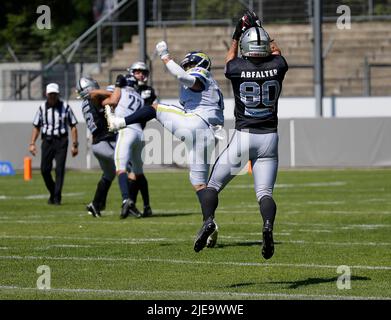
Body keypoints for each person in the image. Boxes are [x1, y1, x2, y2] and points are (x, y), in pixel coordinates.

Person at [105, 43, 225, 247]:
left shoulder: (200, 73)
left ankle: (119, 122)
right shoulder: (213, 87)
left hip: (197, 124)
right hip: (209, 135)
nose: (187, 66)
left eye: (189, 64)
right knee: (200, 184)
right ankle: (210, 223)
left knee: (154, 108)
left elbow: (185, 77)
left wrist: (165, 56)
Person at [192, 12, 288, 259]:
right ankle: (267, 226)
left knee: (212, 185)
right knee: (264, 193)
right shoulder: (278, 67)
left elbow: (228, 60)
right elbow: (276, 52)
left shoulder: (237, 68)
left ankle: (209, 221)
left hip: (244, 136)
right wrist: (260, 27)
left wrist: (237, 34)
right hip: (270, 138)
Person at [93, 74, 146, 219]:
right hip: (140, 133)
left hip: (126, 130)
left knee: (120, 168)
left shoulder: (121, 90)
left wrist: (96, 97)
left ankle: (126, 199)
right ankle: (145, 205)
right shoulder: (140, 97)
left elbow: (111, 101)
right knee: (138, 171)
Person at [29, 83, 79, 205]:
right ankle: (53, 192)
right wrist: (32, 143)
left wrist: (75, 144)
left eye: (54, 94)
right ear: (46, 94)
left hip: (61, 141)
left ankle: (57, 198)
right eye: (50, 94)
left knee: (59, 169)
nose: (52, 97)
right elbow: (37, 126)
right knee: (44, 170)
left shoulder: (65, 107)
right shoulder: (42, 108)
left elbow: (73, 126)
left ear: (58, 94)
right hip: (47, 141)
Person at [76, 77, 117, 217]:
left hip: (98, 144)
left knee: (109, 174)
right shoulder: (93, 99)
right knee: (124, 164)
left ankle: (95, 204)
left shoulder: (85, 103)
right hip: (104, 142)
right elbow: (98, 95)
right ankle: (129, 202)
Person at [125, 61, 156, 217]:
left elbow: (147, 110)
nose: (141, 75)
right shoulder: (126, 88)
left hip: (136, 132)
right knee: (136, 172)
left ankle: (130, 203)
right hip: (124, 131)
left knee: (134, 172)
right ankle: (142, 205)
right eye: (137, 72)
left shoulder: (147, 91)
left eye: (144, 72)